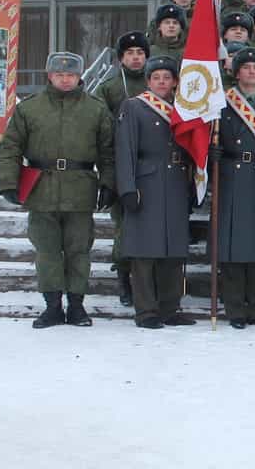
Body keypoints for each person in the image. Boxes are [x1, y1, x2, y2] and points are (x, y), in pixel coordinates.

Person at [0, 52, 115, 328]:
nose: (65, 79)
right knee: (46, 250)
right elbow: (10, 147)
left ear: (79, 76)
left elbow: (108, 152)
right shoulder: (30, 108)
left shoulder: (95, 109)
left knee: (78, 251)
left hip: (80, 190)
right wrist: (8, 182)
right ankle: (52, 306)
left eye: (70, 74)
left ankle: (76, 306)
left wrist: (109, 184)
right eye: (59, 74)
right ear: (49, 76)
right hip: (41, 189)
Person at [114, 55, 195, 329]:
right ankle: (146, 311)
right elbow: (125, 149)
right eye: (156, 77)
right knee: (144, 252)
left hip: (176, 182)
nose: (162, 82)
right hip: (146, 183)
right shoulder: (134, 106)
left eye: (167, 77)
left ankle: (170, 308)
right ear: (148, 81)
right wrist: (127, 188)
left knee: (173, 250)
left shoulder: (184, 109)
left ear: (175, 82)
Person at [209, 48, 255, 329]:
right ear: (236, 73)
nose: (251, 71)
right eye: (246, 67)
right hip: (231, 176)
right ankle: (236, 309)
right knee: (232, 248)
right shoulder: (221, 102)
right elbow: (205, 136)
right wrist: (212, 153)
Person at [95, 32, 150, 306]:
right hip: (122, 166)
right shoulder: (109, 88)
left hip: (154, 166)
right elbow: (100, 132)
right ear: (120, 58)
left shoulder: (160, 83)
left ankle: (149, 282)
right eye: (130, 53)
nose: (136, 57)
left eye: (140, 52)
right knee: (124, 227)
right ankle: (124, 279)